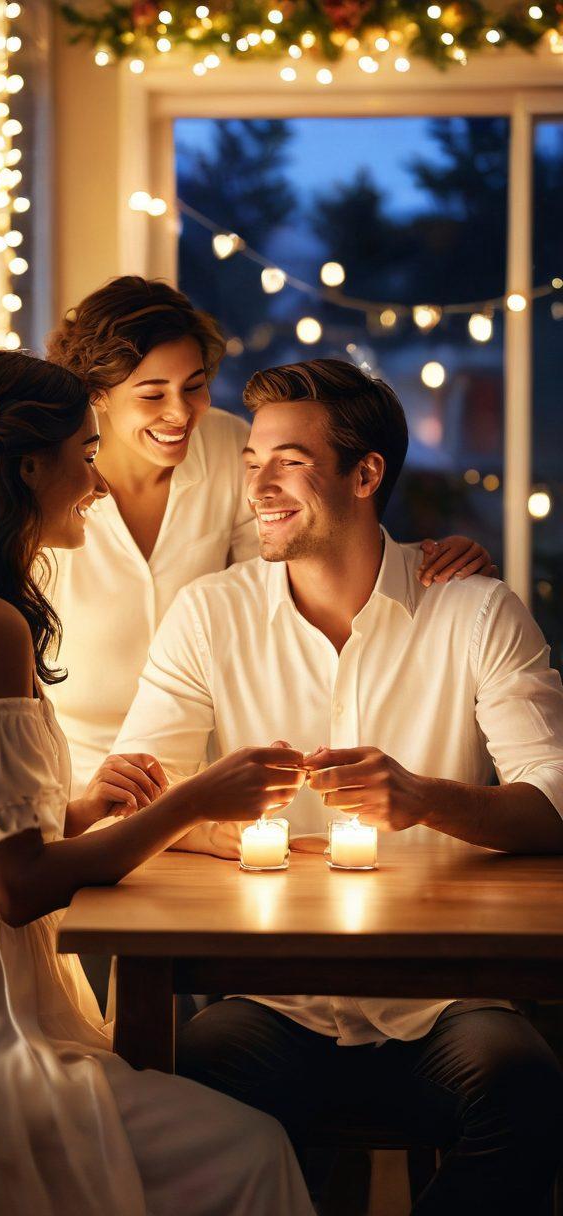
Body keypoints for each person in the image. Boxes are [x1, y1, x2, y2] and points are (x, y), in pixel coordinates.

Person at [0, 349, 315, 1216]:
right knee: (252, 1149)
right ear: (29, 468)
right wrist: (194, 802)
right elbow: (15, 888)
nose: (97, 483)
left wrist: (80, 809)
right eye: (86, 456)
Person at [114, 357, 563, 1214]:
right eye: (253, 461)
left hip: (447, 1002)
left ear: (366, 475)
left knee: (527, 1090)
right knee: (184, 1078)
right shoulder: (210, 614)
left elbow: (556, 800)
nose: (259, 486)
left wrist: (426, 800)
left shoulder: (475, 612)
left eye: (289, 462)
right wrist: (218, 823)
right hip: (271, 1000)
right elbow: (138, 790)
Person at [45, 276, 496, 799]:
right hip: (80, 782)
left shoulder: (226, 445)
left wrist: (420, 564)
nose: (181, 412)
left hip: (202, 771)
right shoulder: (51, 483)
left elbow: (294, 553)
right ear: (97, 395)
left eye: (194, 386)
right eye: (152, 394)